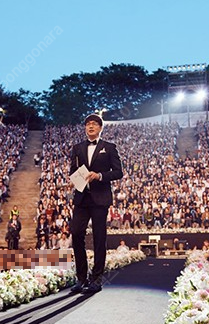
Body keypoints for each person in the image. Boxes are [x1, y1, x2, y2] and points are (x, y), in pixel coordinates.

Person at [69, 114, 123, 294]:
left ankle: (96, 279)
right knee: (76, 233)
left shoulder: (109, 147)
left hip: (100, 199)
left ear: (100, 128)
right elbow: (73, 170)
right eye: (88, 124)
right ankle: (81, 278)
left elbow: (118, 172)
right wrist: (74, 180)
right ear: (85, 128)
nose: (91, 126)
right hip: (82, 198)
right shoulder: (77, 148)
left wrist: (99, 176)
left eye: (94, 124)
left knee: (100, 238)